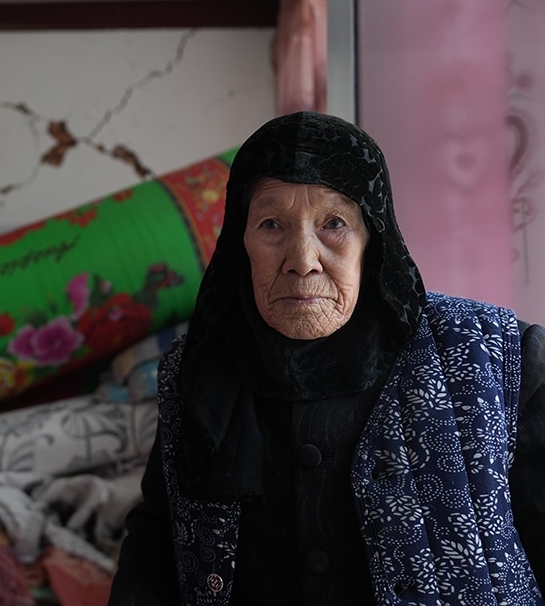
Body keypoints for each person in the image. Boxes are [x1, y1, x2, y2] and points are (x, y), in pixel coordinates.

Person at [108, 111, 545, 605]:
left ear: (372, 238)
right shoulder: (197, 372)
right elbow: (158, 538)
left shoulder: (496, 356)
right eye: (271, 224)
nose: (302, 259)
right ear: (240, 241)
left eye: (334, 224)